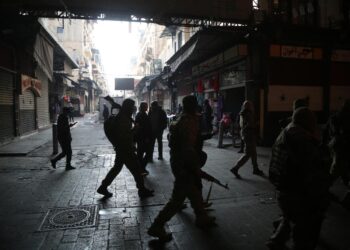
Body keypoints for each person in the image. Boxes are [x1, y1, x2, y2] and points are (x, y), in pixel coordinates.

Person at [147, 95, 216, 242]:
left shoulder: (181, 118)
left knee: (194, 191)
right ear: (192, 106)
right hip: (184, 164)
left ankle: (201, 217)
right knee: (177, 199)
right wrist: (195, 168)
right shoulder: (188, 122)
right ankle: (157, 225)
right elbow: (188, 148)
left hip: (179, 161)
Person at [267, 107, 331, 250]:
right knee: (304, 231)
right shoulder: (302, 140)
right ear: (308, 122)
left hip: (283, 189)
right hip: (297, 192)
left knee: (289, 215)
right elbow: (315, 167)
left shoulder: (285, 132)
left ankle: (277, 239)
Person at [97, 98, 154, 199]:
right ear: (128, 107)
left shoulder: (123, 116)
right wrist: (134, 130)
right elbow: (124, 136)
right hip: (125, 149)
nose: (133, 109)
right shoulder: (123, 119)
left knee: (117, 169)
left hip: (122, 148)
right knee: (137, 169)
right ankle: (142, 190)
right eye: (132, 107)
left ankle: (103, 187)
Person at [230, 100, 264, 178]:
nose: (252, 106)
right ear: (249, 106)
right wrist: (256, 123)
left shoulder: (242, 113)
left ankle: (255, 168)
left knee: (253, 152)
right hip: (249, 134)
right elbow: (251, 124)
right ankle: (235, 168)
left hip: (245, 134)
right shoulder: (248, 113)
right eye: (251, 105)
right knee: (248, 154)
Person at [325, 99, 350, 186]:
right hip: (343, 151)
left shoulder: (334, 118)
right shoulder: (340, 119)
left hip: (335, 150)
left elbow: (325, 135)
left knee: (335, 175)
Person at [135, 102, 152, 176]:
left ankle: (140, 168)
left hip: (141, 137)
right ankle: (141, 168)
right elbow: (144, 127)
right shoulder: (142, 115)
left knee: (141, 153)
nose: (147, 107)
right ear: (143, 107)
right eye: (146, 106)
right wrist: (147, 137)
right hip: (143, 137)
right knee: (146, 153)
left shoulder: (141, 114)